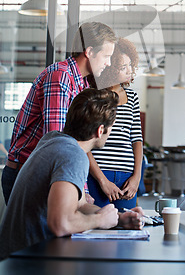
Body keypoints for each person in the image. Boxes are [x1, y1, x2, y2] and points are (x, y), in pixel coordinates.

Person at [0, 88, 144, 260]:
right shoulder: (72, 156)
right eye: (111, 128)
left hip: (17, 255)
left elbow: (79, 204)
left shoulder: (54, 140)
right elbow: (60, 223)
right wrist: (99, 220)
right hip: (24, 261)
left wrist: (119, 218)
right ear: (100, 130)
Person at [1, 21, 117, 204]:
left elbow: (76, 142)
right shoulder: (60, 76)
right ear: (89, 52)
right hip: (28, 173)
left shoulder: (82, 85)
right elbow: (56, 139)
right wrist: (80, 190)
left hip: (45, 171)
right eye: (106, 56)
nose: (108, 63)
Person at [87, 37, 143, 209]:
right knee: (97, 227)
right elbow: (84, 142)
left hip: (127, 178)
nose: (129, 71)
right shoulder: (92, 95)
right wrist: (102, 180)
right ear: (110, 68)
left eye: (130, 65)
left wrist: (136, 177)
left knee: (128, 226)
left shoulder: (132, 97)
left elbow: (137, 140)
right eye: (122, 67)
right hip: (97, 175)